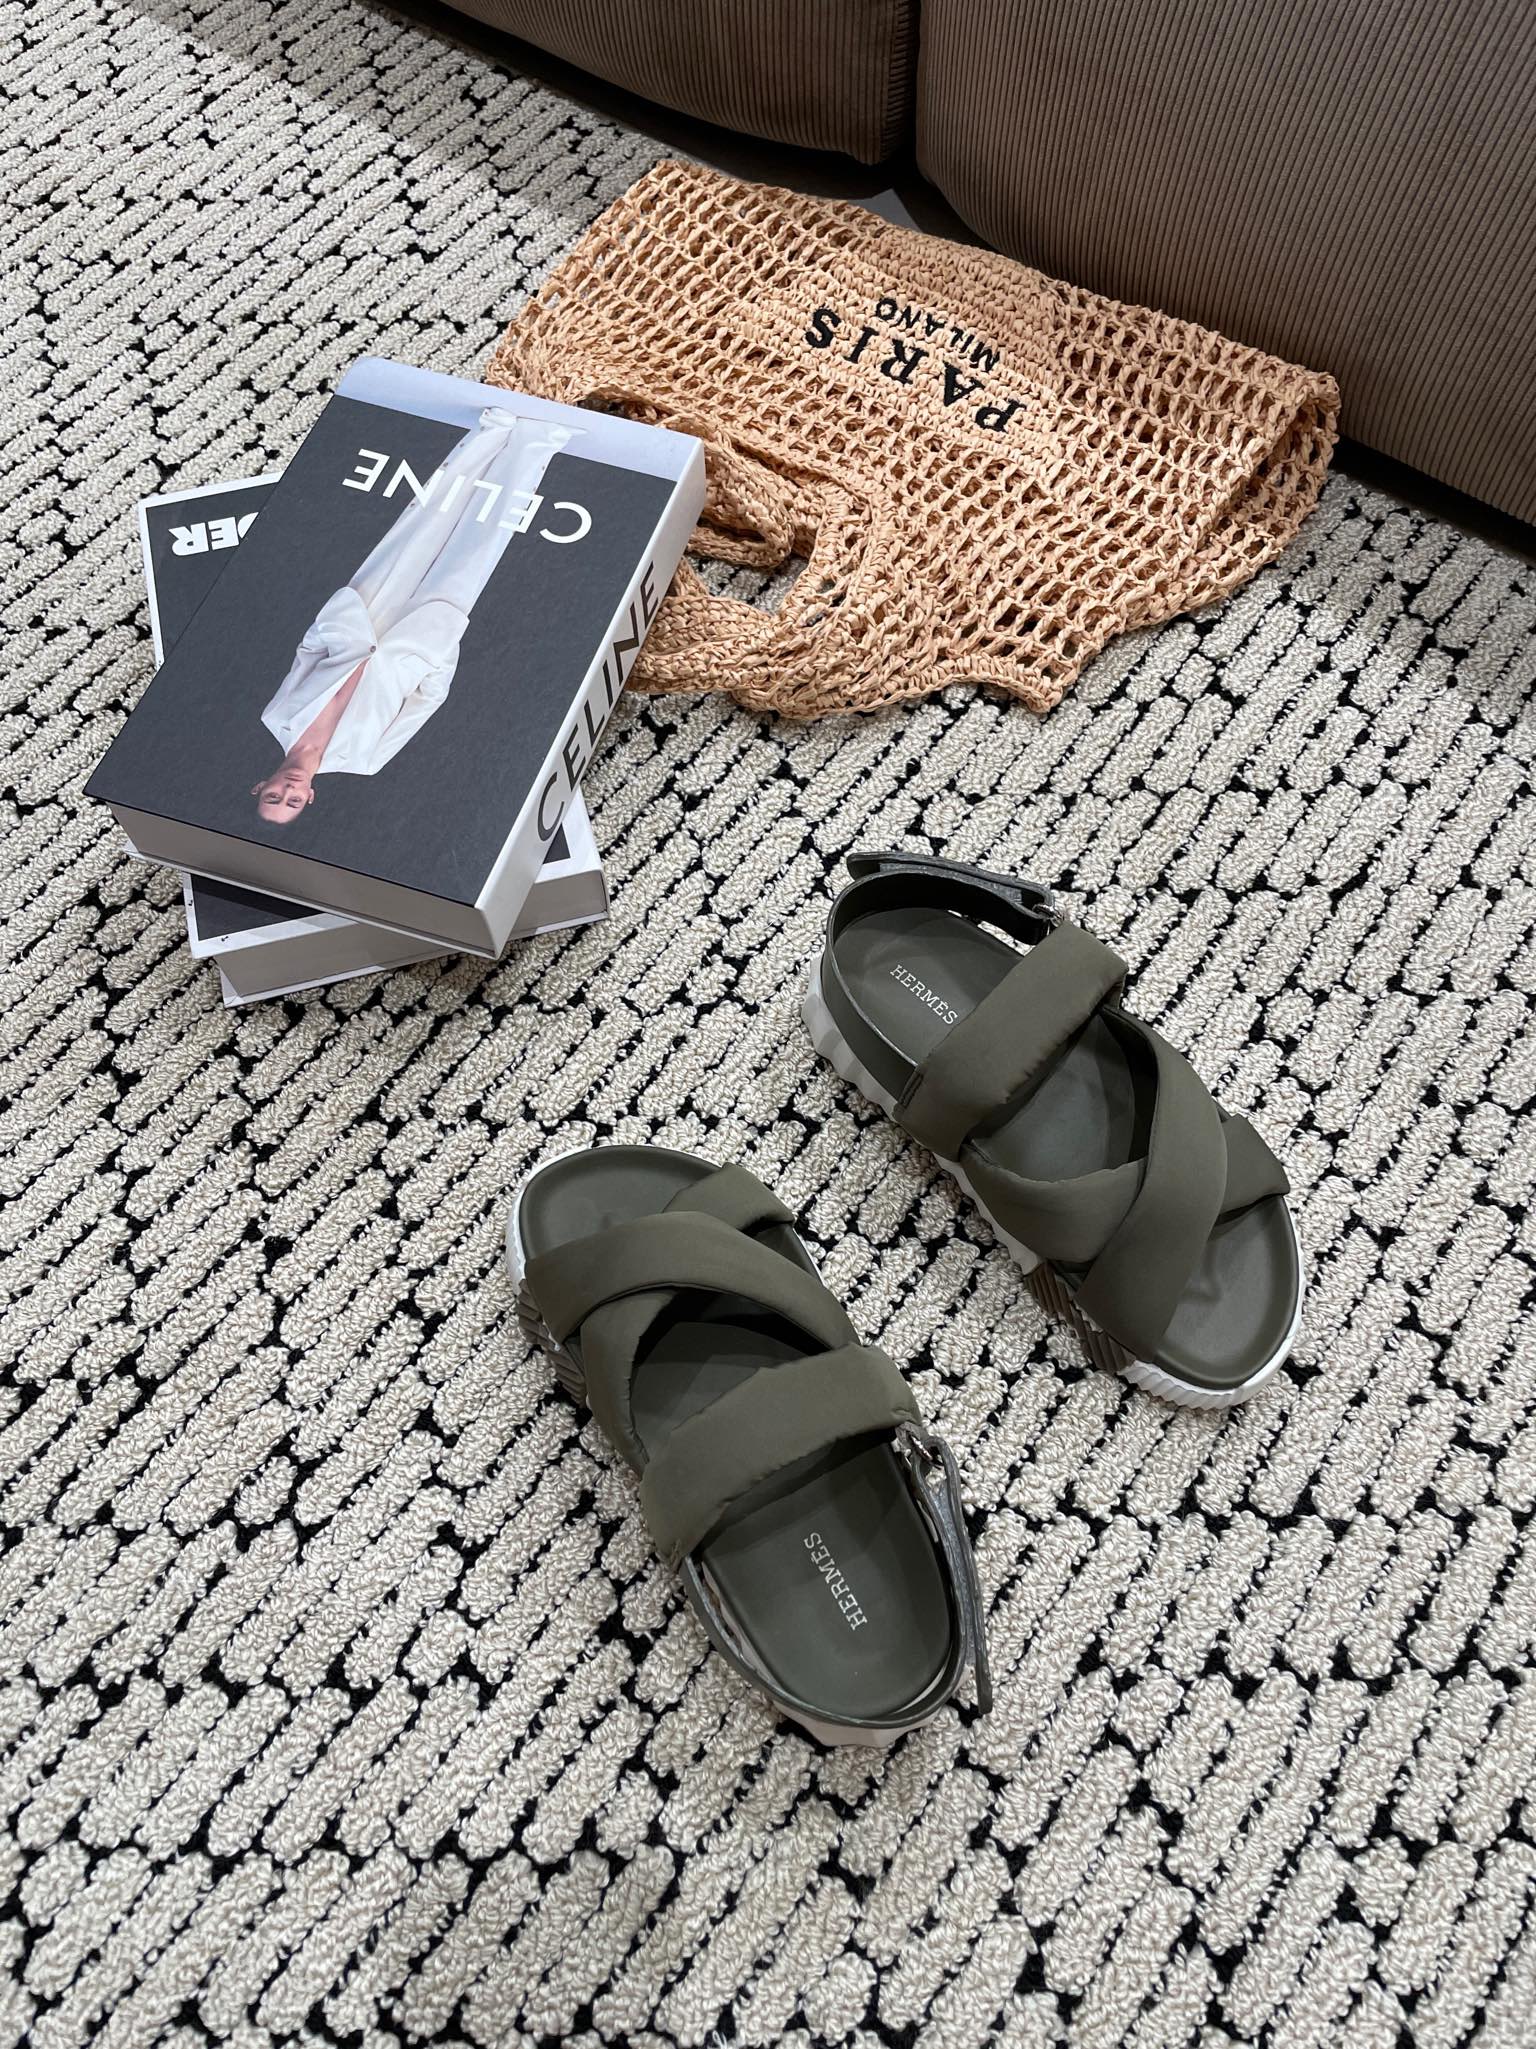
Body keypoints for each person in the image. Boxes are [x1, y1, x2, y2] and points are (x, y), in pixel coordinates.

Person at [253, 407, 577, 824]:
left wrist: (334, 622)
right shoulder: (364, 760)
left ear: (261, 785)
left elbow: (307, 654)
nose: (288, 791)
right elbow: (426, 702)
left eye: (274, 796)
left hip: (363, 614)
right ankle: (538, 441)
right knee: (482, 542)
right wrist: (437, 650)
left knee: (423, 520)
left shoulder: (276, 717)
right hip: (423, 638)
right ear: (309, 797)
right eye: (293, 801)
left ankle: (491, 432)